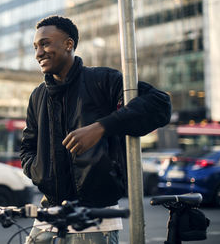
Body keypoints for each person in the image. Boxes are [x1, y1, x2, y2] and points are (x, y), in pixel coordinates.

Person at [20, 15, 172, 244]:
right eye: (35, 46)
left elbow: (160, 104)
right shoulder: (38, 96)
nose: (38, 53)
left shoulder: (103, 81)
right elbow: (27, 147)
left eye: (45, 43)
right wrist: (39, 171)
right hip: (46, 220)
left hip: (96, 221)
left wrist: (101, 127)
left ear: (69, 44)